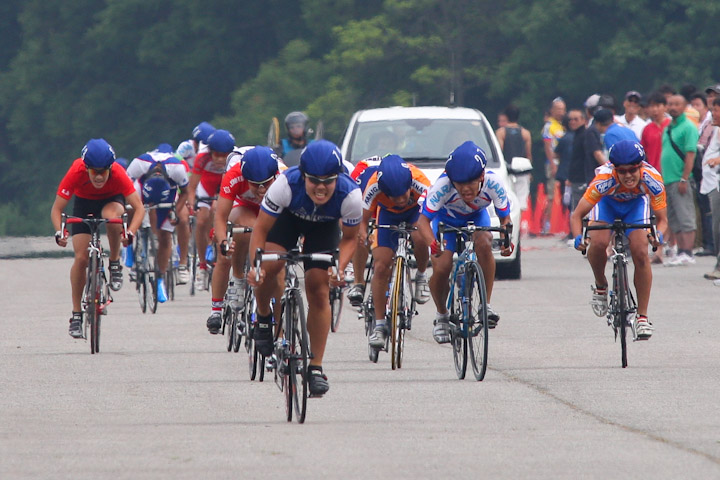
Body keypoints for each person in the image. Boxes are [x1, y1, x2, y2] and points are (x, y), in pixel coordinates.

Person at [248, 140, 362, 396]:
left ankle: (316, 367)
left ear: (338, 177)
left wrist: (339, 268)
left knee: (319, 289)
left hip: (324, 228)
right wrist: (256, 266)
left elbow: (350, 238)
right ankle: (264, 318)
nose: (321, 188)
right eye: (314, 181)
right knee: (271, 264)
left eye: (328, 181)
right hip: (287, 220)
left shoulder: (350, 195)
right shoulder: (285, 185)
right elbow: (261, 229)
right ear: (303, 176)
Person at [417, 141, 514, 343]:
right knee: (442, 267)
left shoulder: (494, 183)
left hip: (477, 217)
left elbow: (505, 219)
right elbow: (423, 221)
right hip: (445, 221)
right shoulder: (442, 186)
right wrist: (431, 242)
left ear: (481, 176)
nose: (465, 189)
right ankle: (442, 316)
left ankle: (484, 305)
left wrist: (506, 240)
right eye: (459, 184)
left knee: (485, 242)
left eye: (470, 182)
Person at [571, 140, 667, 340]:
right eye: (622, 172)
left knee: (641, 253)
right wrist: (578, 237)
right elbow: (577, 215)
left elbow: (662, 220)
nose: (628, 176)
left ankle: (642, 317)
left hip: (635, 206)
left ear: (641, 166)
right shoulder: (604, 179)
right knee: (598, 243)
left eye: (633, 170)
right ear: (614, 169)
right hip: (607, 204)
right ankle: (600, 285)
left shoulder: (653, 179)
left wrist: (658, 236)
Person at [51, 139, 145, 338]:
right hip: (83, 204)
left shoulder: (119, 172)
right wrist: (60, 231)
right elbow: (57, 209)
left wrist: (131, 232)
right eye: (94, 172)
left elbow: (139, 208)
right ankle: (76, 315)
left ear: (111, 168)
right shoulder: (76, 171)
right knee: (81, 258)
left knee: (112, 218)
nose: (100, 176)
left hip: (111, 201)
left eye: (104, 171)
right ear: (86, 169)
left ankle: (114, 263)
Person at [354, 155, 431, 348]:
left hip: (416, 213)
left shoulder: (418, 180)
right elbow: (362, 222)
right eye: (394, 197)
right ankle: (380, 326)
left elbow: (432, 212)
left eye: (404, 194)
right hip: (387, 215)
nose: (400, 200)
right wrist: (363, 236)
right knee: (381, 266)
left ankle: (421, 275)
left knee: (420, 238)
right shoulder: (373, 186)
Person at [205, 146, 282, 333]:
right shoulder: (233, 176)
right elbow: (221, 217)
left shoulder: (284, 178)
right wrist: (223, 242)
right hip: (243, 206)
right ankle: (237, 280)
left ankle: (281, 328)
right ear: (246, 178)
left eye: (266, 183)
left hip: (272, 208)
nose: (262, 189)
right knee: (242, 233)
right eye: (256, 184)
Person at [126, 145, 190, 302]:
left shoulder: (177, 168)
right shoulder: (139, 163)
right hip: (141, 190)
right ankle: (129, 248)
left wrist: (176, 211)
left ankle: (160, 279)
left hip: (168, 196)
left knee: (165, 237)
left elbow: (185, 192)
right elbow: (124, 189)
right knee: (130, 209)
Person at [187, 129, 236, 289]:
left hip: (224, 186)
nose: (221, 159)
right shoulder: (202, 158)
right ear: (210, 152)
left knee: (218, 209)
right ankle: (202, 265)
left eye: (224, 155)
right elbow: (192, 187)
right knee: (201, 221)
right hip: (206, 187)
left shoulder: (234, 159)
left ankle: (217, 243)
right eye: (217, 155)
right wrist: (192, 205)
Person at [662, 94, 700, 265]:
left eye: (677, 104)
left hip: (680, 178)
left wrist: (684, 178)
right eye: (670, 104)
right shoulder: (669, 127)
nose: (672, 107)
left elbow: (691, 154)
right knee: (674, 216)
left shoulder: (688, 127)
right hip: (668, 179)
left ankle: (688, 251)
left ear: (684, 107)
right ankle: (680, 250)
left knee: (685, 215)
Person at [346, 156, 383, 306]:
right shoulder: (358, 176)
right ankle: (358, 282)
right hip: (363, 203)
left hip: (388, 202)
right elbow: (351, 211)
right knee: (360, 235)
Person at [541, 97, 567, 232]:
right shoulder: (549, 126)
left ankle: (563, 223)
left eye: (563, 109)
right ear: (551, 110)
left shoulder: (564, 125)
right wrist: (552, 164)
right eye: (558, 109)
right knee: (552, 194)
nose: (561, 112)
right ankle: (547, 224)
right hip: (554, 164)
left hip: (564, 163)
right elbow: (547, 146)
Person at [701, 98, 720, 278]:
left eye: (716, 110)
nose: (712, 114)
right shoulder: (715, 130)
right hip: (713, 183)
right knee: (717, 226)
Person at [495, 105, 532, 171]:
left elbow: (499, 152)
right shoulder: (526, 133)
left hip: (507, 169)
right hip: (522, 169)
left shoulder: (500, 132)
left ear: (506, 116)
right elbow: (528, 154)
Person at [640, 92, 670, 172]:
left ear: (665, 107)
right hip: (653, 171)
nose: (654, 109)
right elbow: (644, 151)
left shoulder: (671, 125)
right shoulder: (647, 129)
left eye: (657, 106)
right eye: (652, 106)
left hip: (670, 171)